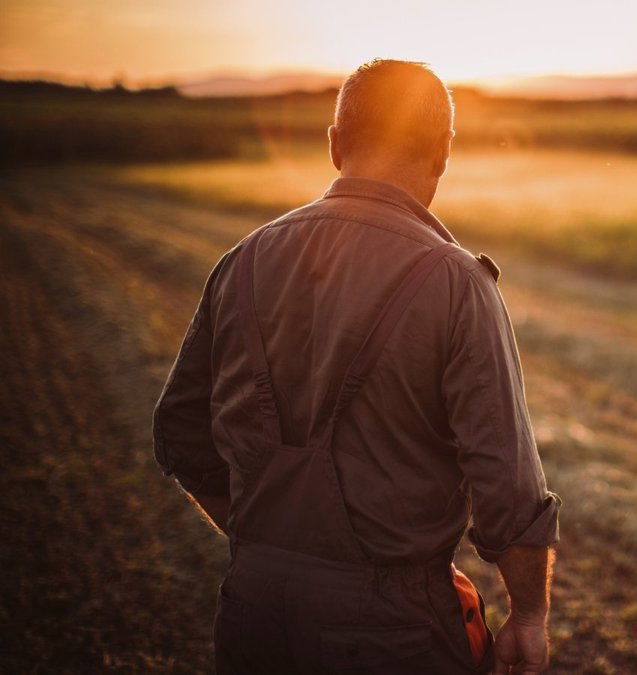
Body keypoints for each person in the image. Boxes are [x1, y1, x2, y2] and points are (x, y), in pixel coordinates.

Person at [152, 59, 560, 674]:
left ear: (335, 144)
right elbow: (507, 484)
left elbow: (181, 434)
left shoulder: (245, 259)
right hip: (395, 631)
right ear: (443, 152)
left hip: (251, 609)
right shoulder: (457, 282)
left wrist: (271, 549)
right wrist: (528, 616)